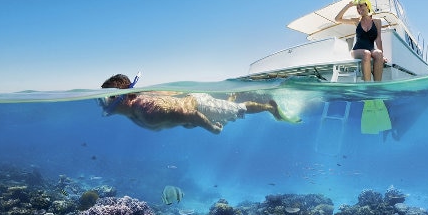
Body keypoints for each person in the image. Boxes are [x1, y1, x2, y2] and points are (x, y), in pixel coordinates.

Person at [98, 74, 299, 134]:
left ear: (123, 97)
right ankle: (229, 98)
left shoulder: (147, 109)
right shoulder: (132, 113)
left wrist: (212, 129)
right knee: (227, 116)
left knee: (238, 110)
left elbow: (191, 113)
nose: (102, 103)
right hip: (190, 115)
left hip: (200, 107)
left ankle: (270, 107)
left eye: (107, 98)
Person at [335, 0, 386, 81]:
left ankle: (378, 85)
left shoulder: (377, 21)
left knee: (379, 54)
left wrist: (382, 57)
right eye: (357, 8)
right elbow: (337, 19)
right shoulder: (356, 21)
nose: (359, 9)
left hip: (371, 49)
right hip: (356, 50)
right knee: (366, 53)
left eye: (361, 6)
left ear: (367, 6)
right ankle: (367, 86)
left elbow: (378, 39)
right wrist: (348, 5)